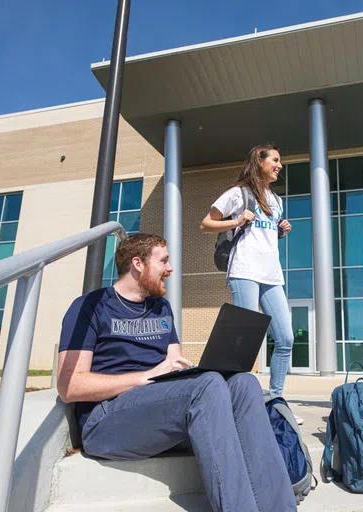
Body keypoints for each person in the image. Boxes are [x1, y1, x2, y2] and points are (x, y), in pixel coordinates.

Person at [56, 233, 296, 512]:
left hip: (158, 413)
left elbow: (174, 363)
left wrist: (191, 370)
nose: (170, 269)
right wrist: (144, 377)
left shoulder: (161, 307)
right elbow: (69, 385)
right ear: (138, 264)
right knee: (206, 386)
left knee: (243, 382)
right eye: (164, 261)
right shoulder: (91, 306)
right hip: (106, 421)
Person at [200, 143, 294, 400]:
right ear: (259, 162)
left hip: (271, 274)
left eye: (280, 160)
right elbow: (206, 224)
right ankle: (234, 396)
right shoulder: (238, 194)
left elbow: (263, 234)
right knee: (244, 339)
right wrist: (237, 220)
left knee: (285, 338)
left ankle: (275, 398)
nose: (279, 165)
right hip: (244, 270)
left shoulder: (276, 200)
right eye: (274, 159)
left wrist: (280, 230)